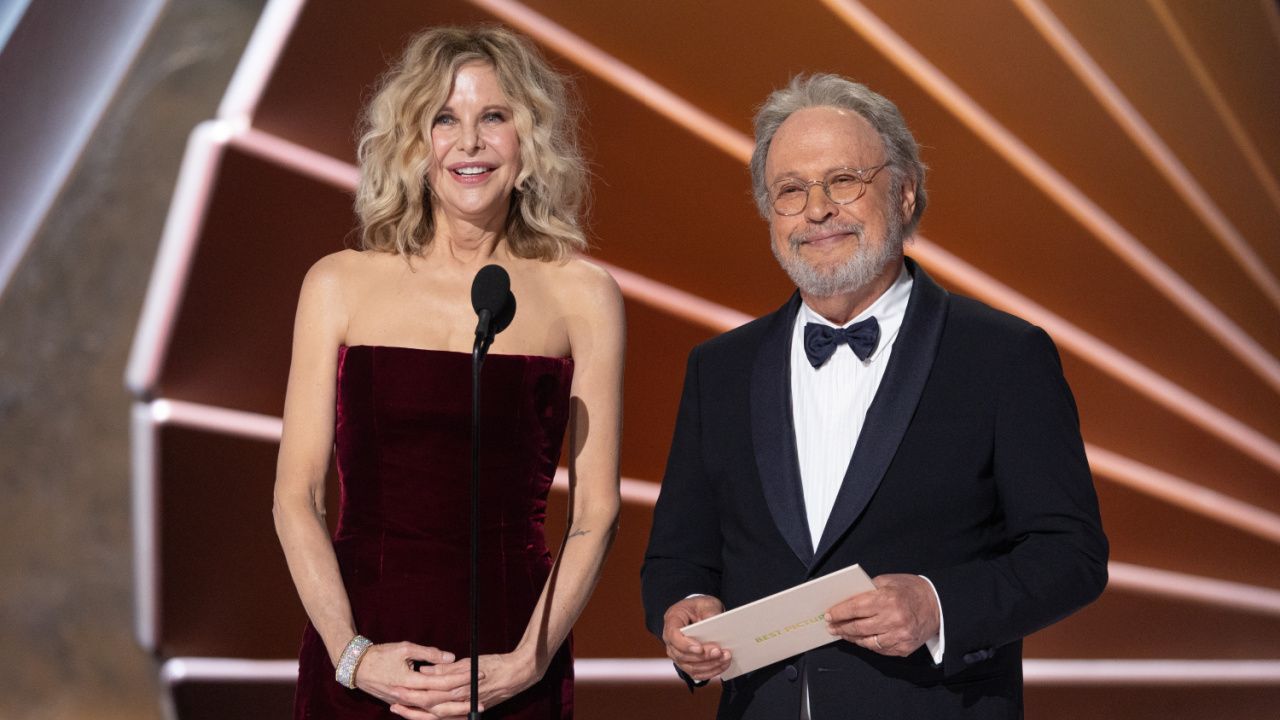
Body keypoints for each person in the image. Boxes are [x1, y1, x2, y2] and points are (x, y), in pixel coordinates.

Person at [641, 73, 1108, 719]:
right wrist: (684, 607)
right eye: (791, 190)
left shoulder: (1003, 355)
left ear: (905, 191)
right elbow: (677, 555)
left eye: (843, 181)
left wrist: (937, 606)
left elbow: (1070, 555)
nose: (817, 210)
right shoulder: (719, 369)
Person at [274, 26, 623, 720]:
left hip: (511, 661)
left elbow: (595, 512)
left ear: (528, 138)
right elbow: (296, 498)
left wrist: (526, 663)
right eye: (443, 119)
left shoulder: (583, 295)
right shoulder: (338, 284)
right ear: (412, 140)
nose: (469, 143)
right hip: (362, 660)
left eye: (493, 117)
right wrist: (353, 656)